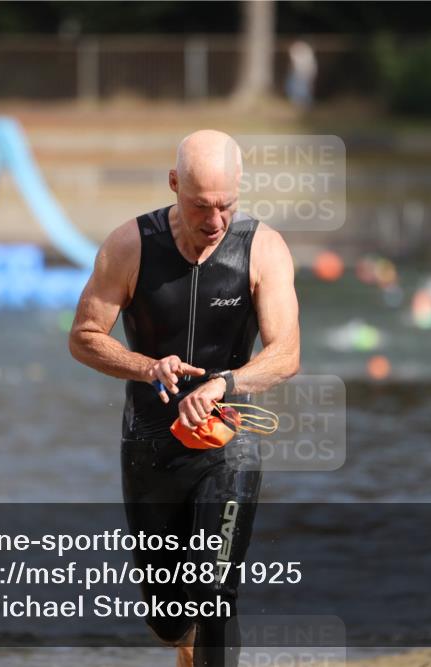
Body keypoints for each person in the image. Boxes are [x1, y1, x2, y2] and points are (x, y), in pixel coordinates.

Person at [69, 130, 300, 667]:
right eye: (201, 206)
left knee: (217, 590)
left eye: (226, 205)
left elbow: (286, 353)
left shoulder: (262, 247)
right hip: (151, 448)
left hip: (227, 441)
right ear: (174, 184)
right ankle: (185, 643)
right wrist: (148, 366)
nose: (215, 221)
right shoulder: (131, 245)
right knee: (169, 617)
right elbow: (83, 337)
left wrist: (227, 383)